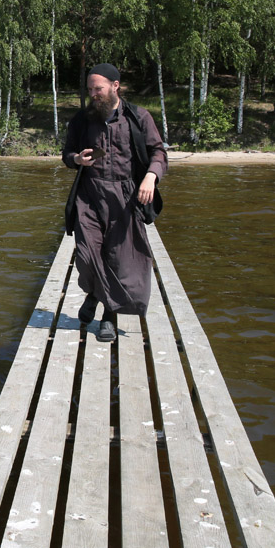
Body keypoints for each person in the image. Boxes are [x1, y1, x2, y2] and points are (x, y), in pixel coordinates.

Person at [62, 63, 167, 343]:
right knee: (87, 255)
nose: (93, 94)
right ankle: (95, 292)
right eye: (90, 89)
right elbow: (67, 153)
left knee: (120, 258)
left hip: (125, 197)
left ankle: (108, 316)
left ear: (115, 86)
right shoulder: (83, 120)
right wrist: (77, 159)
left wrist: (150, 177)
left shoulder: (138, 117)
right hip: (89, 195)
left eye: (98, 88)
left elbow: (158, 152)